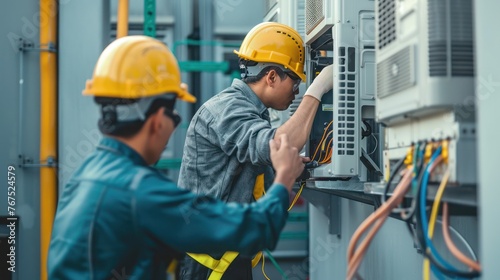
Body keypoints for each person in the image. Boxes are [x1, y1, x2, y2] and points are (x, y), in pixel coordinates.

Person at [47, 35, 305, 280]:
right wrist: (284, 178)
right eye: (175, 116)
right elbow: (253, 230)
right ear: (158, 121)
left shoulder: (84, 177)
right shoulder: (141, 193)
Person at [178, 22, 334, 279]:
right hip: (208, 265)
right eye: (295, 81)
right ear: (271, 76)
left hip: (225, 258)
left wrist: (289, 169)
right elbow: (280, 145)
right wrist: (317, 90)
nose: (297, 90)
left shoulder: (250, 113)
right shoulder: (227, 109)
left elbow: (253, 167)